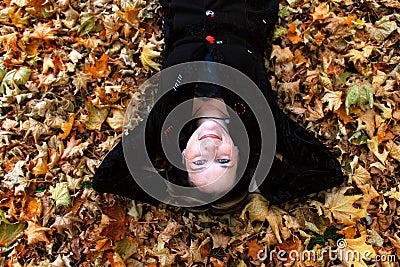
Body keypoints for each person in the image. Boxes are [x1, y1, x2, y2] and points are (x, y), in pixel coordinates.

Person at [92, 0, 344, 214]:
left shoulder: (165, 121)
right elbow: (327, 171)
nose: (209, 147)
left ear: (182, 157)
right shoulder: (259, 121)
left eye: (199, 162)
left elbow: (107, 177)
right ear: (238, 152)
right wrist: (264, 183)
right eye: (223, 161)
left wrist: (169, 193)